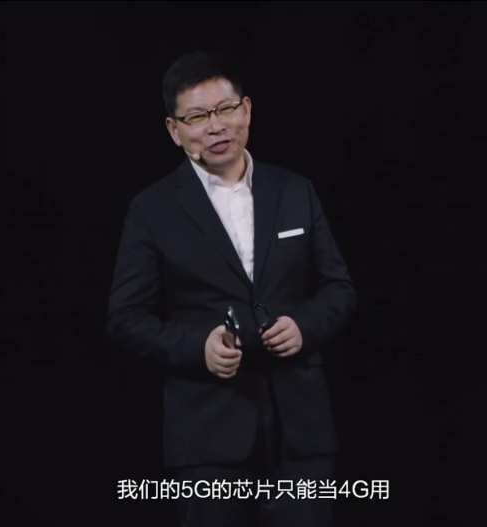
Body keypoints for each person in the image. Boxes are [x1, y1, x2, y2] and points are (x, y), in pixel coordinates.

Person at [106, 51, 356, 527]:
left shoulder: (295, 190)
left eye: (225, 109)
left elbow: (338, 288)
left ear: (247, 110)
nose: (215, 126)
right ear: (174, 130)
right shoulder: (152, 209)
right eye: (197, 116)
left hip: (301, 427)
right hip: (207, 428)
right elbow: (125, 318)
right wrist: (198, 347)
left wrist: (304, 325)